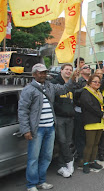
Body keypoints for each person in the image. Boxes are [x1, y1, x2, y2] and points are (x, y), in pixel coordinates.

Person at [18, 63, 75, 191]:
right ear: (34, 75)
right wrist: (26, 130)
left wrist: (72, 79)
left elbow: (64, 89)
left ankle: (41, 181)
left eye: (44, 72)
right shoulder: (29, 89)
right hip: (37, 129)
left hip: (50, 127)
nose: (43, 74)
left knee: (47, 156)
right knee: (33, 158)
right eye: (40, 72)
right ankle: (31, 184)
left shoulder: (49, 86)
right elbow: (22, 111)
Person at [80, 74, 104, 173]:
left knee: (96, 143)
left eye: (98, 82)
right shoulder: (85, 92)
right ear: (89, 82)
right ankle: (85, 163)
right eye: (94, 82)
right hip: (91, 121)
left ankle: (92, 161)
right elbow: (90, 106)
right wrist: (101, 114)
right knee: (90, 144)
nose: (97, 84)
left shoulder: (99, 93)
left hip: (100, 122)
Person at [51, 64, 75, 178]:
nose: (68, 71)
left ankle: (63, 165)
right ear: (61, 70)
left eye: (70, 70)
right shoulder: (55, 83)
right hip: (59, 117)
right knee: (62, 141)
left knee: (67, 142)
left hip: (70, 117)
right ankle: (68, 161)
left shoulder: (72, 84)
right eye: (66, 69)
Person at [73, 64, 91, 166]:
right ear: (81, 71)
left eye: (89, 67)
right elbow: (75, 93)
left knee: (88, 135)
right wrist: (85, 88)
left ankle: (88, 156)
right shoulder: (78, 81)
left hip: (90, 112)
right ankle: (80, 157)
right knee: (80, 136)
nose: (88, 68)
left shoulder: (92, 80)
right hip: (80, 111)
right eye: (85, 67)